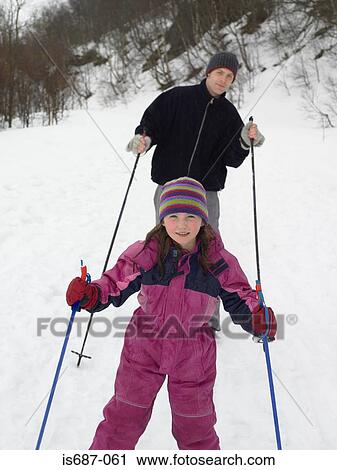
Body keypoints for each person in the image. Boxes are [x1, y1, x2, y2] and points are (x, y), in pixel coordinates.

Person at [66, 177, 277, 450]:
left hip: (194, 355)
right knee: (123, 416)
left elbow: (240, 297)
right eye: (173, 216)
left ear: (203, 219)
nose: (181, 224)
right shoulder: (146, 254)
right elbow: (114, 283)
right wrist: (91, 294)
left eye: (191, 216)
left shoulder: (217, 261)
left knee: (196, 427)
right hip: (144, 347)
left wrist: (259, 318)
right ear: (162, 219)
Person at [126, 51, 265, 330]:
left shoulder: (228, 114)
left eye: (229, 76)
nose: (223, 80)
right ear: (208, 72)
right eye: (219, 73)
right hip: (169, 189)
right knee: (164, 246)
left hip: (205, 194)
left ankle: (205, 318)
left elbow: (232, 159)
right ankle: (158, 308)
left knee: (207, 249)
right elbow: (152, 123)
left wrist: (244, 141)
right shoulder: (177, 97)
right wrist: (143, 138)